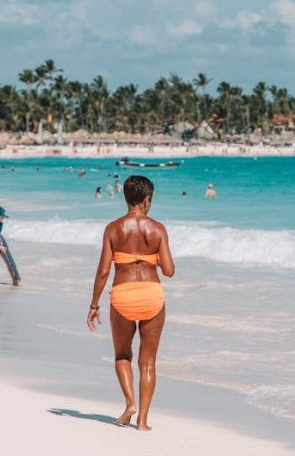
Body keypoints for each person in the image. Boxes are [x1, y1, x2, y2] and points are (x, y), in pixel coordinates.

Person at [87, 175, 176, 430]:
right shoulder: (158, 229)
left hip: (123, 294)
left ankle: (129, 403)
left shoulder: (113, 228)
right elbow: (169, 271)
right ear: (147, 200)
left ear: (126, 198)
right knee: (147, 362)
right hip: (151, 295)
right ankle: (143, 421)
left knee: (122, 355)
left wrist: (94, 305)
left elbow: (103, 271)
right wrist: (152, 259)